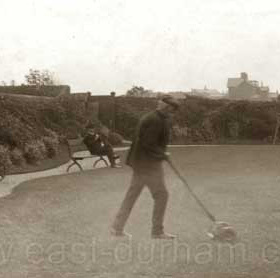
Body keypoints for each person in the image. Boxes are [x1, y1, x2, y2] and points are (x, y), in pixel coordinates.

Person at [111, 95, 180, 239]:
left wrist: (161, 153)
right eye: (171, 110)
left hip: (142, 163)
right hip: (148, 165)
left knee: (132, 195)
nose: (171, 113)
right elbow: (148, 143)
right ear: (166, 107)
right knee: (161, 195)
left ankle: (117, 228)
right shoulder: (155, 120)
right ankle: (157, 231)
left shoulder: (154, 117)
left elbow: (148, 143)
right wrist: (163, 154)